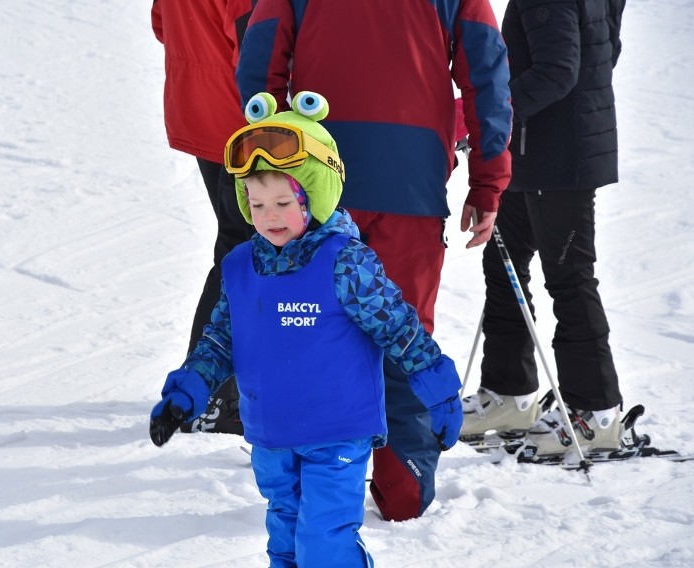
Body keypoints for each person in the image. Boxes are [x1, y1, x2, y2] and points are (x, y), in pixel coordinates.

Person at [149, 91, 463, 567]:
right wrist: (187, 392)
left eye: (282, 201)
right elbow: (219, 341)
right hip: (272, 433)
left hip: (338, 431)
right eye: (255, 204)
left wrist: (439, 393)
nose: (268, 216)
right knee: (286, 539)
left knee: (324, 542)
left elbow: (399, 329)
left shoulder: (344, 263)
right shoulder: (239, 268)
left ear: (315, 194)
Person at [236, 0, 512, 521]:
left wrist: (268, 169)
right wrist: (488, 179)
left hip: (315, 183)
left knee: (307, 329)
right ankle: (403, 490)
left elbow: (260, 63)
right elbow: (486, 75)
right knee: (403, 330)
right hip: (410, 178)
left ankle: (303, 489)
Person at [460, 0, 627, 459]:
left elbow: (558, 71)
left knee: (569, 279)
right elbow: (601, 50)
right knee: (503, 266)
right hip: (532, 153)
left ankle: (595, 411)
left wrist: (490, 113)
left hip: (559, 157)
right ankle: (510, 394)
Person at [151, 0, 255, 434]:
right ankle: (210, 391)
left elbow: (162, 24)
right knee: (242, 249)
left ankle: (214, 386)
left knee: (237, 241)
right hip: (241, 122)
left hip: (200, 110)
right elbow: (259, 50)